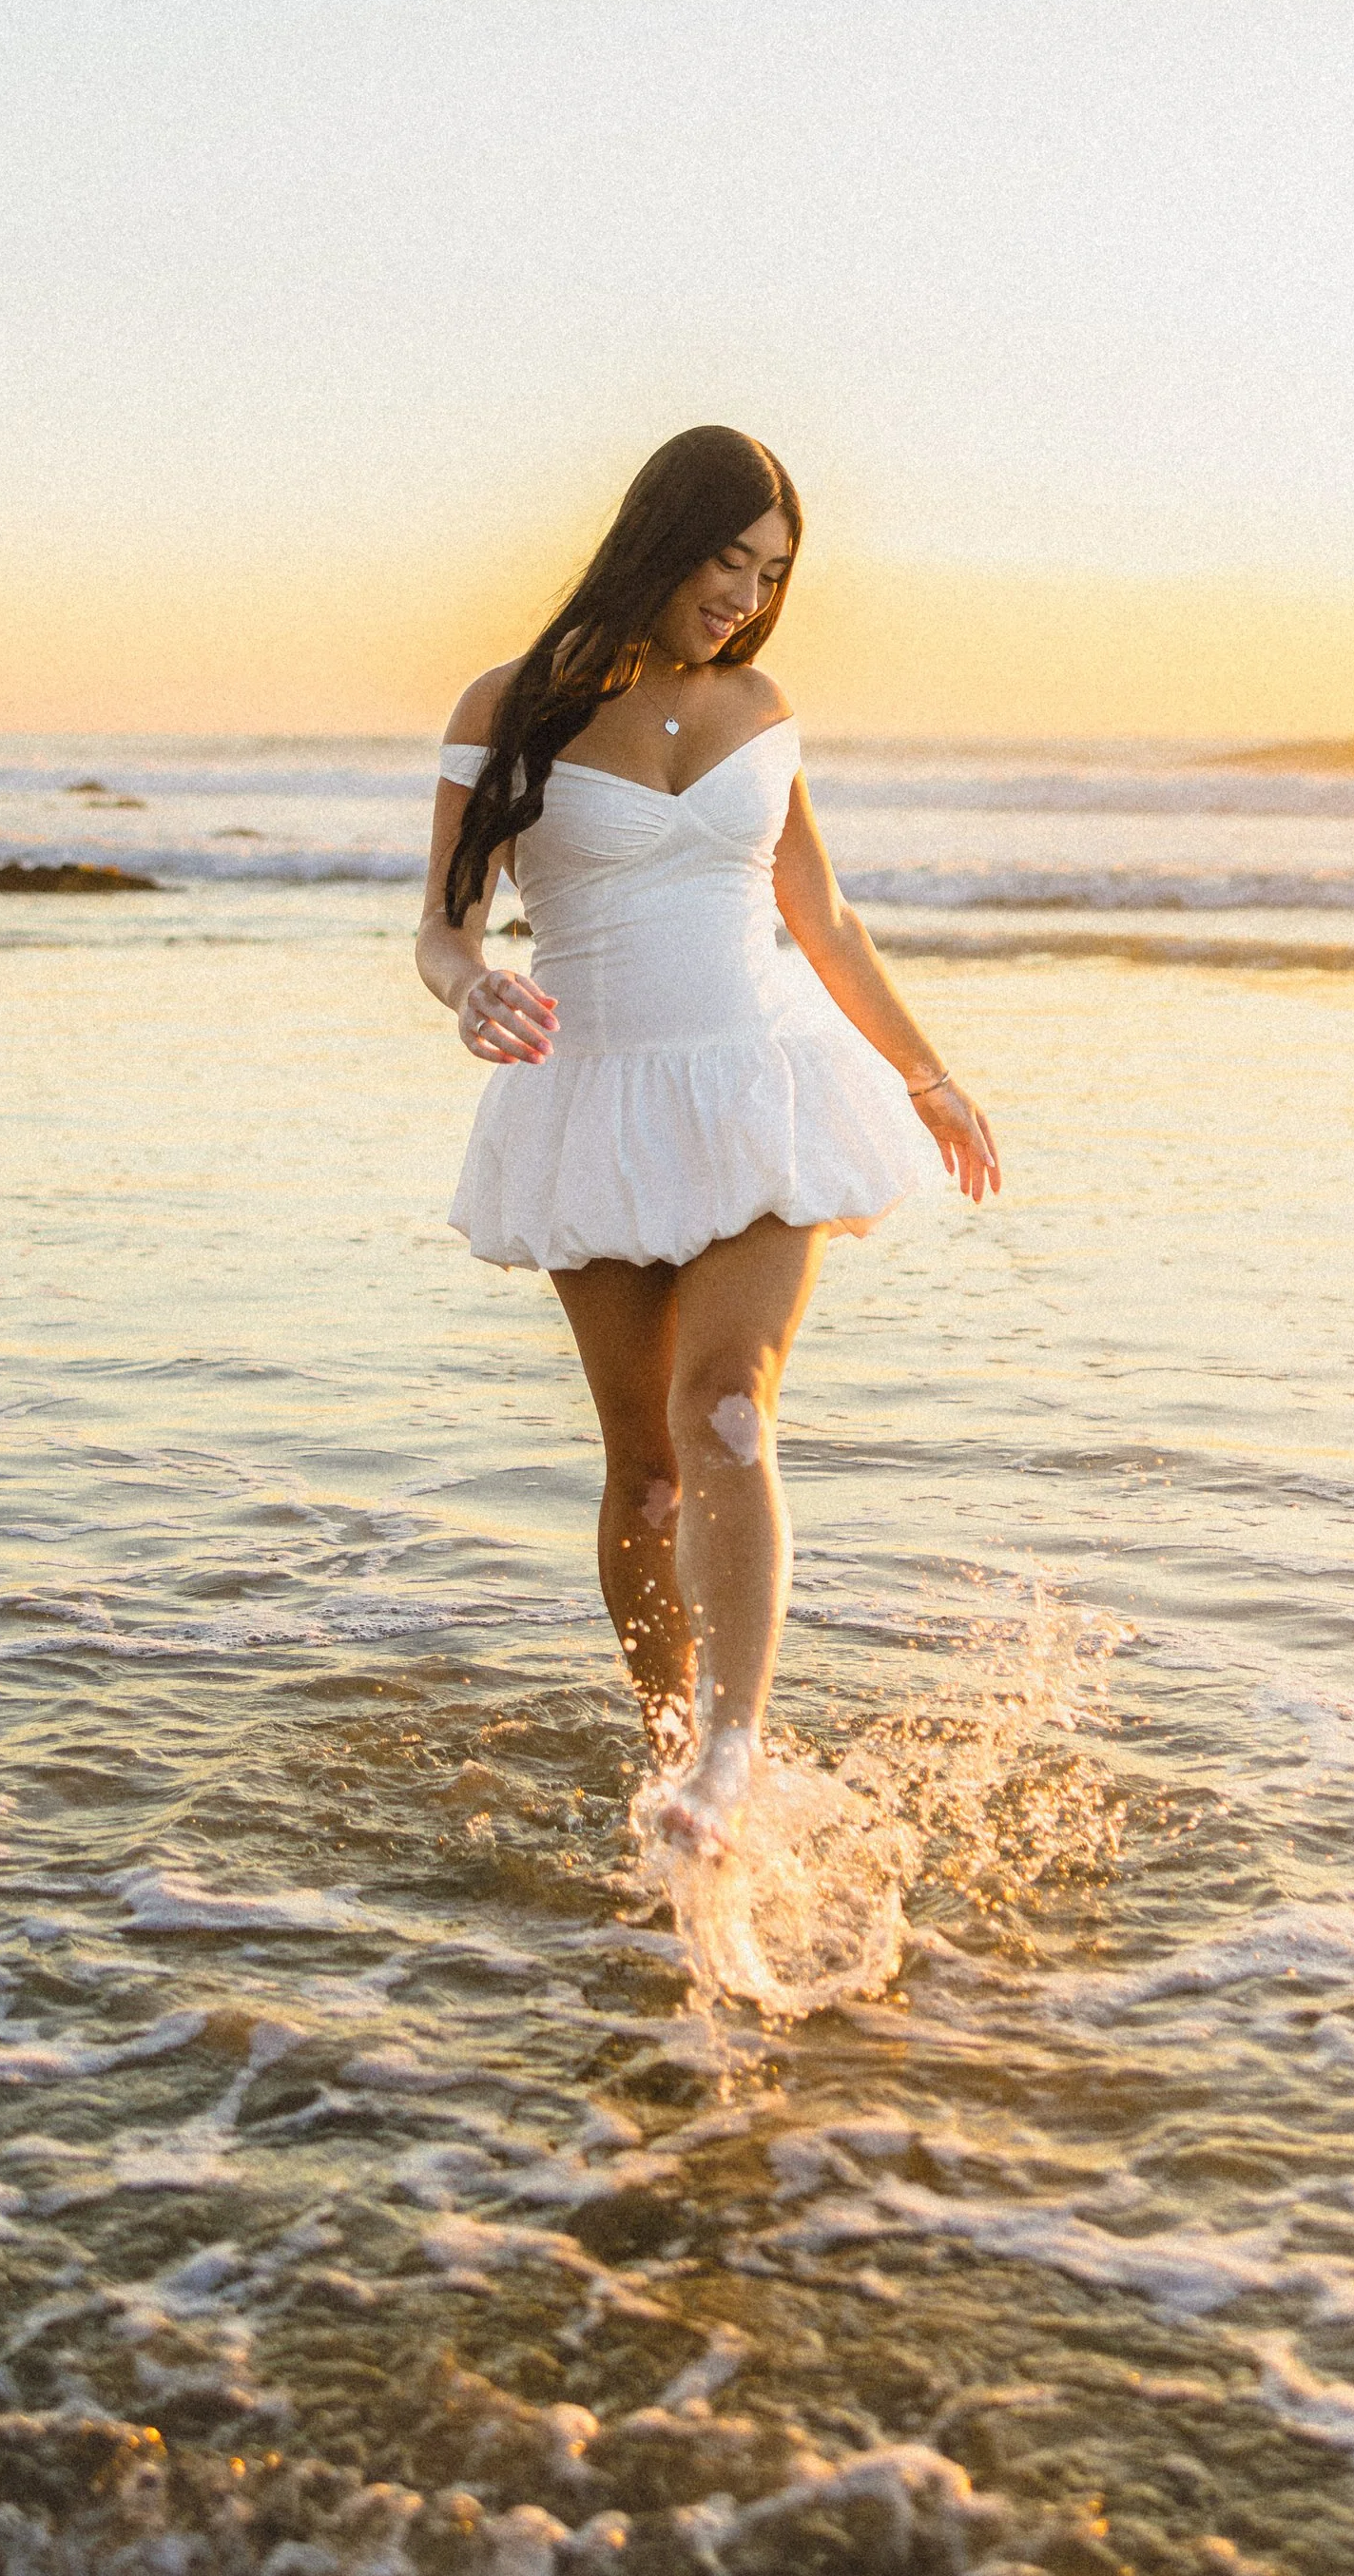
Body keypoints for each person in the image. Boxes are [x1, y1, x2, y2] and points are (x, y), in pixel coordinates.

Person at [416, 427, 999, 1856]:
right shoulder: (513, 704)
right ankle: (670, 1753)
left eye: (773, 571)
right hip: (597, 1096)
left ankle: (735, 1755)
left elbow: (824, 913)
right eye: (728, 559)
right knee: (649, 1469)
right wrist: (471, 986)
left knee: (729, 1403)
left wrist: (927, 1075)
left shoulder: (760, 703)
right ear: (656, 538)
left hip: (763, 1088)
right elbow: (442, 926)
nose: (745, 594)